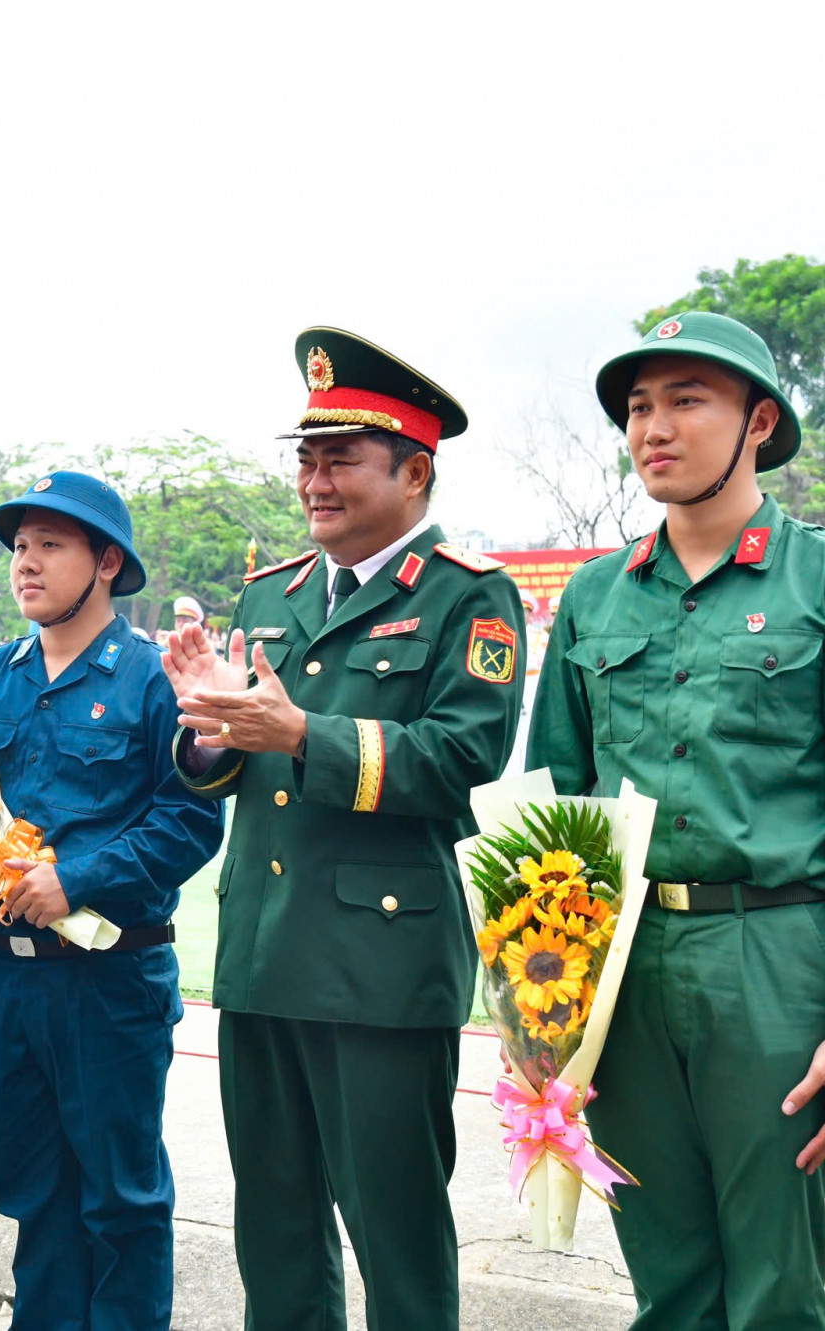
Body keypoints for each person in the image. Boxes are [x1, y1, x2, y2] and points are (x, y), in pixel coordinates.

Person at [528, 311, 825, 1329]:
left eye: (683, 400)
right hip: (624, 964)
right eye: (636, 406)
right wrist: (545, 1006)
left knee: (771, 1284)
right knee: (663, 1274)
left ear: (755, 423)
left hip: (772, 955)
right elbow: (556, 806)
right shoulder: (592, 597)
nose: (651, 427)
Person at [161, 327, 525, 1329]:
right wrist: (204, 731)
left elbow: (462, 759)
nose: (313, 480)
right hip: (264, 947)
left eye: (339, 459)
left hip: (380, 964)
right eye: (304, 459)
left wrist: (296, 730)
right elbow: (230, 768)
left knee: (394, 1231)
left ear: (413, 472)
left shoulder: (467, 595)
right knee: (273, 1231)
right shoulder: (268, 592)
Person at [0, 472, 223, 1329]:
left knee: (120, 1200)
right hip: (4, 978)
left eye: (51, 544)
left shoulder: (152, 681)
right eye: (19, 546)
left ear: (107, 561)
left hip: (109, 981)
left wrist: (78, 878)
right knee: (34, 1191)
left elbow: (193, 822)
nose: (27, 564)